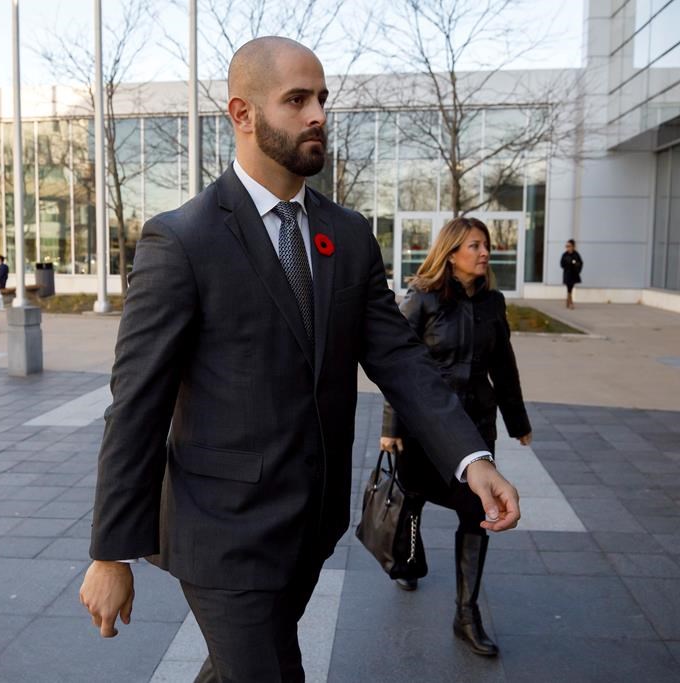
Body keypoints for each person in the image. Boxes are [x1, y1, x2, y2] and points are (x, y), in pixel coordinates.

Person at [80, 37, 521, 682]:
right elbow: (137, 403)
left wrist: (470, 456)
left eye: (321, 98)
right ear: (243, 114)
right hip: (222, 536)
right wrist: (111, 553)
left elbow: (399, 356)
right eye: (296, 100)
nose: (318, 114)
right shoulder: (182, 239)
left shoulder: (345, 233)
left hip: (311, 527)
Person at [379, 216, 532, 657]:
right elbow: (399, 367)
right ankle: (407, 558)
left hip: (475, 431)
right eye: (475, 246)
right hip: (424, 427)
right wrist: (391, 429)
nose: (485, 253)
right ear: (450, 253)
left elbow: (504, 367)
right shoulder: (423, 300)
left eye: (485, 246)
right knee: (412, 498)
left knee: (477, 513)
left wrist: (517, 422)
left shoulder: (493, 303)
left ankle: (466, 613)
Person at [560, 239, 582, 309]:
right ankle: (570, 302)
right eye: (566, 246)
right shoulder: (565, 255)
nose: (567, 248)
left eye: (569, 246)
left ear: (573, 246)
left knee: (570, 288)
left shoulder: (576, 254)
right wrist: (567, 263)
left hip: (574, 274)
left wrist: (575, 264)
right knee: (569, 287)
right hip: (567, 273)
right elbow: (562, 264)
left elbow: (580, 263)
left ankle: (568, 300)